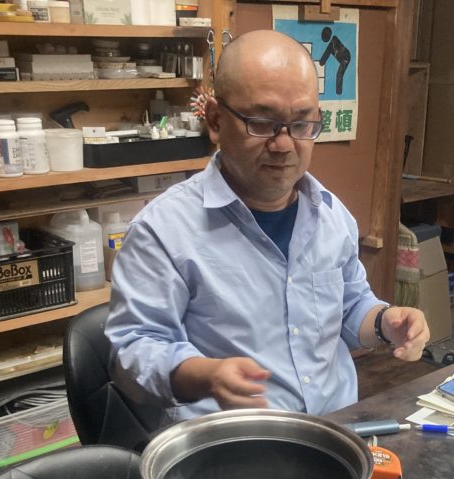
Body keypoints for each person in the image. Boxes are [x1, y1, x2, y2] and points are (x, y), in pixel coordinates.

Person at [106, 29, 429, 424]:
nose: (284, 144)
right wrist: (206, 376)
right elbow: (132, 354)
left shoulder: (331, 215)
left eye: (302, 123)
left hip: (337, 429)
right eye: (262, 123)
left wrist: (384, 322)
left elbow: (349, 306)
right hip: (232, 444)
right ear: (215, 120)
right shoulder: (163, 232)